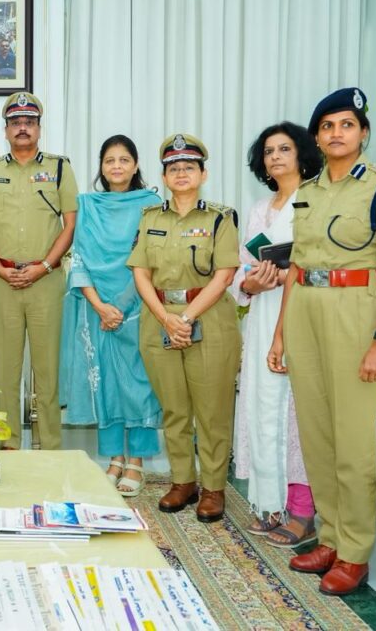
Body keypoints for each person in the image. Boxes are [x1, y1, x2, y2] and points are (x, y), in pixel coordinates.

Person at [268, 88, 376, 595]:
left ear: (363, 132)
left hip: (355, 312)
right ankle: (329, 538)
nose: (336, 133)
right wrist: (281, 333)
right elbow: (297, 266)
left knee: (351, 442)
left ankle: (355, 552)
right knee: (317, 437)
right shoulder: (308, 190)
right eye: (327, 126)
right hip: (305, 310)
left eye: (346, 124)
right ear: (317, 137)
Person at [128, 133, 241, 523]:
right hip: (159, 317)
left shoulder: (220, 218)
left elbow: (225, 275)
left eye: (189, 167)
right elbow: (140, 273)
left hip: (208, 318)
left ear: (203, 174)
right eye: (173, 168)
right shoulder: (150, 218)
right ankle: (183, 481)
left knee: (212, 410)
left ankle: (213, 487)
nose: (181, 173)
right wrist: (166, 318)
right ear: (164, 177)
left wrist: (186, 318)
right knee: (174, 408)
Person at [231, 122, 323, 547]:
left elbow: (318, 264)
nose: (275, 157)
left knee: (294, 411)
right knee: (261, 407)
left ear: (302, 154)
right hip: (262, 315)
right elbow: (242, 269)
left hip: (301, 314)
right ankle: (270, 505)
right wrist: (250, 285)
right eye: (269, 151)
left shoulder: (315, 201)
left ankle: (303, 511)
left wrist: (285, 276)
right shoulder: (259, 209)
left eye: (284, 149)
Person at [0, 92, 77, 450]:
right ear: (6, 130)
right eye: (15, 122)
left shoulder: (60, 168)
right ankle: (8, 445)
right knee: (6, 371)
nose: (22, 128)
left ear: (39, 128)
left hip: (46, 282)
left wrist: (44, 266)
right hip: (3, 282)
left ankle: (50, 447)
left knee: (47, 371)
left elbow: (70, 225)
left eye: (29, 122)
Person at [60, 135, 162, 496]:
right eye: (109, 160)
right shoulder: (87, 205)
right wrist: (101, 306)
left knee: (139, 384)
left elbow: (152, 258)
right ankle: (116, 458)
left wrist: (122, 305)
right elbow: (79, 258)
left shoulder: (152, 205)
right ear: (101, 168)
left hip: (139, 306)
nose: (116, 166)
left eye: (124, 160)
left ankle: (137, 461)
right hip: (96, 309)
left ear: (136, 165)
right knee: (104, 383)